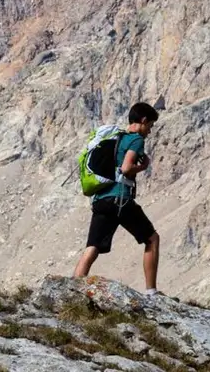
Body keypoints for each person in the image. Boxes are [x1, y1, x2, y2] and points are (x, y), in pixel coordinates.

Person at [73, 102, 161, 290]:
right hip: (120, 199)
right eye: (150, 126)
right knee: (152, 238)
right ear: (143, 121)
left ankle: (73, 289)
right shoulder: (136, 139)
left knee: (93, 247)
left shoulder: (116, 137)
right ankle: (152, 293)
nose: (150, 131)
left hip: (101, 200)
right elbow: (126, 167)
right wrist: (143, 167)